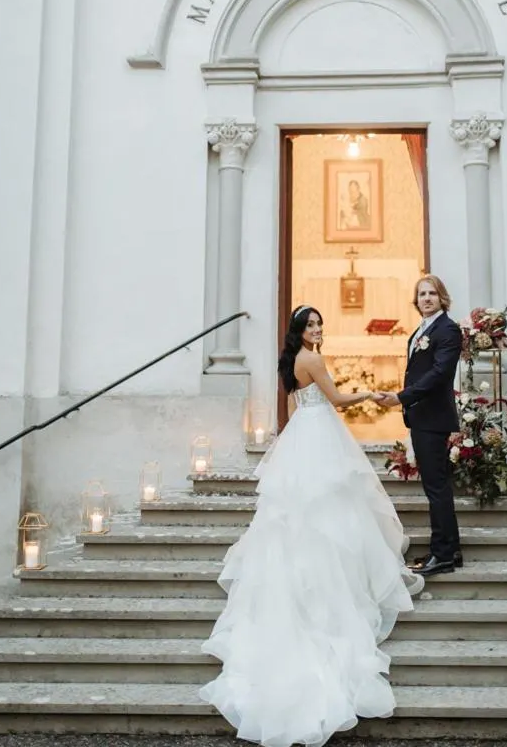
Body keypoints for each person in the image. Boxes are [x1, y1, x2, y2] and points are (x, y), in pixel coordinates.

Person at [199, 304, 423, 747]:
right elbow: (336, 401)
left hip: (303, 434)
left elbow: (292, 405)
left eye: (320, 324)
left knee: (301, 514)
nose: (318, 329)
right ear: (299, 331)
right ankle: (334, 587)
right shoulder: (314, 359)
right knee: (333, 510)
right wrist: (370, 394)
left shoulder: (289, 364)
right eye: (311, 325)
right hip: (320, 434)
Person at [377, 275, 463, 577]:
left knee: (437, 488)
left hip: (434, 418)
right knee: (435, 487)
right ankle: (449, 549)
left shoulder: (448, 330)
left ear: (442, 297)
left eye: (432, 293)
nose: (426, 298)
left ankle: (443, 556)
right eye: (422, 294)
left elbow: (440, 373)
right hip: (422, 416)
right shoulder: (421, 330)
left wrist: (401, 397)